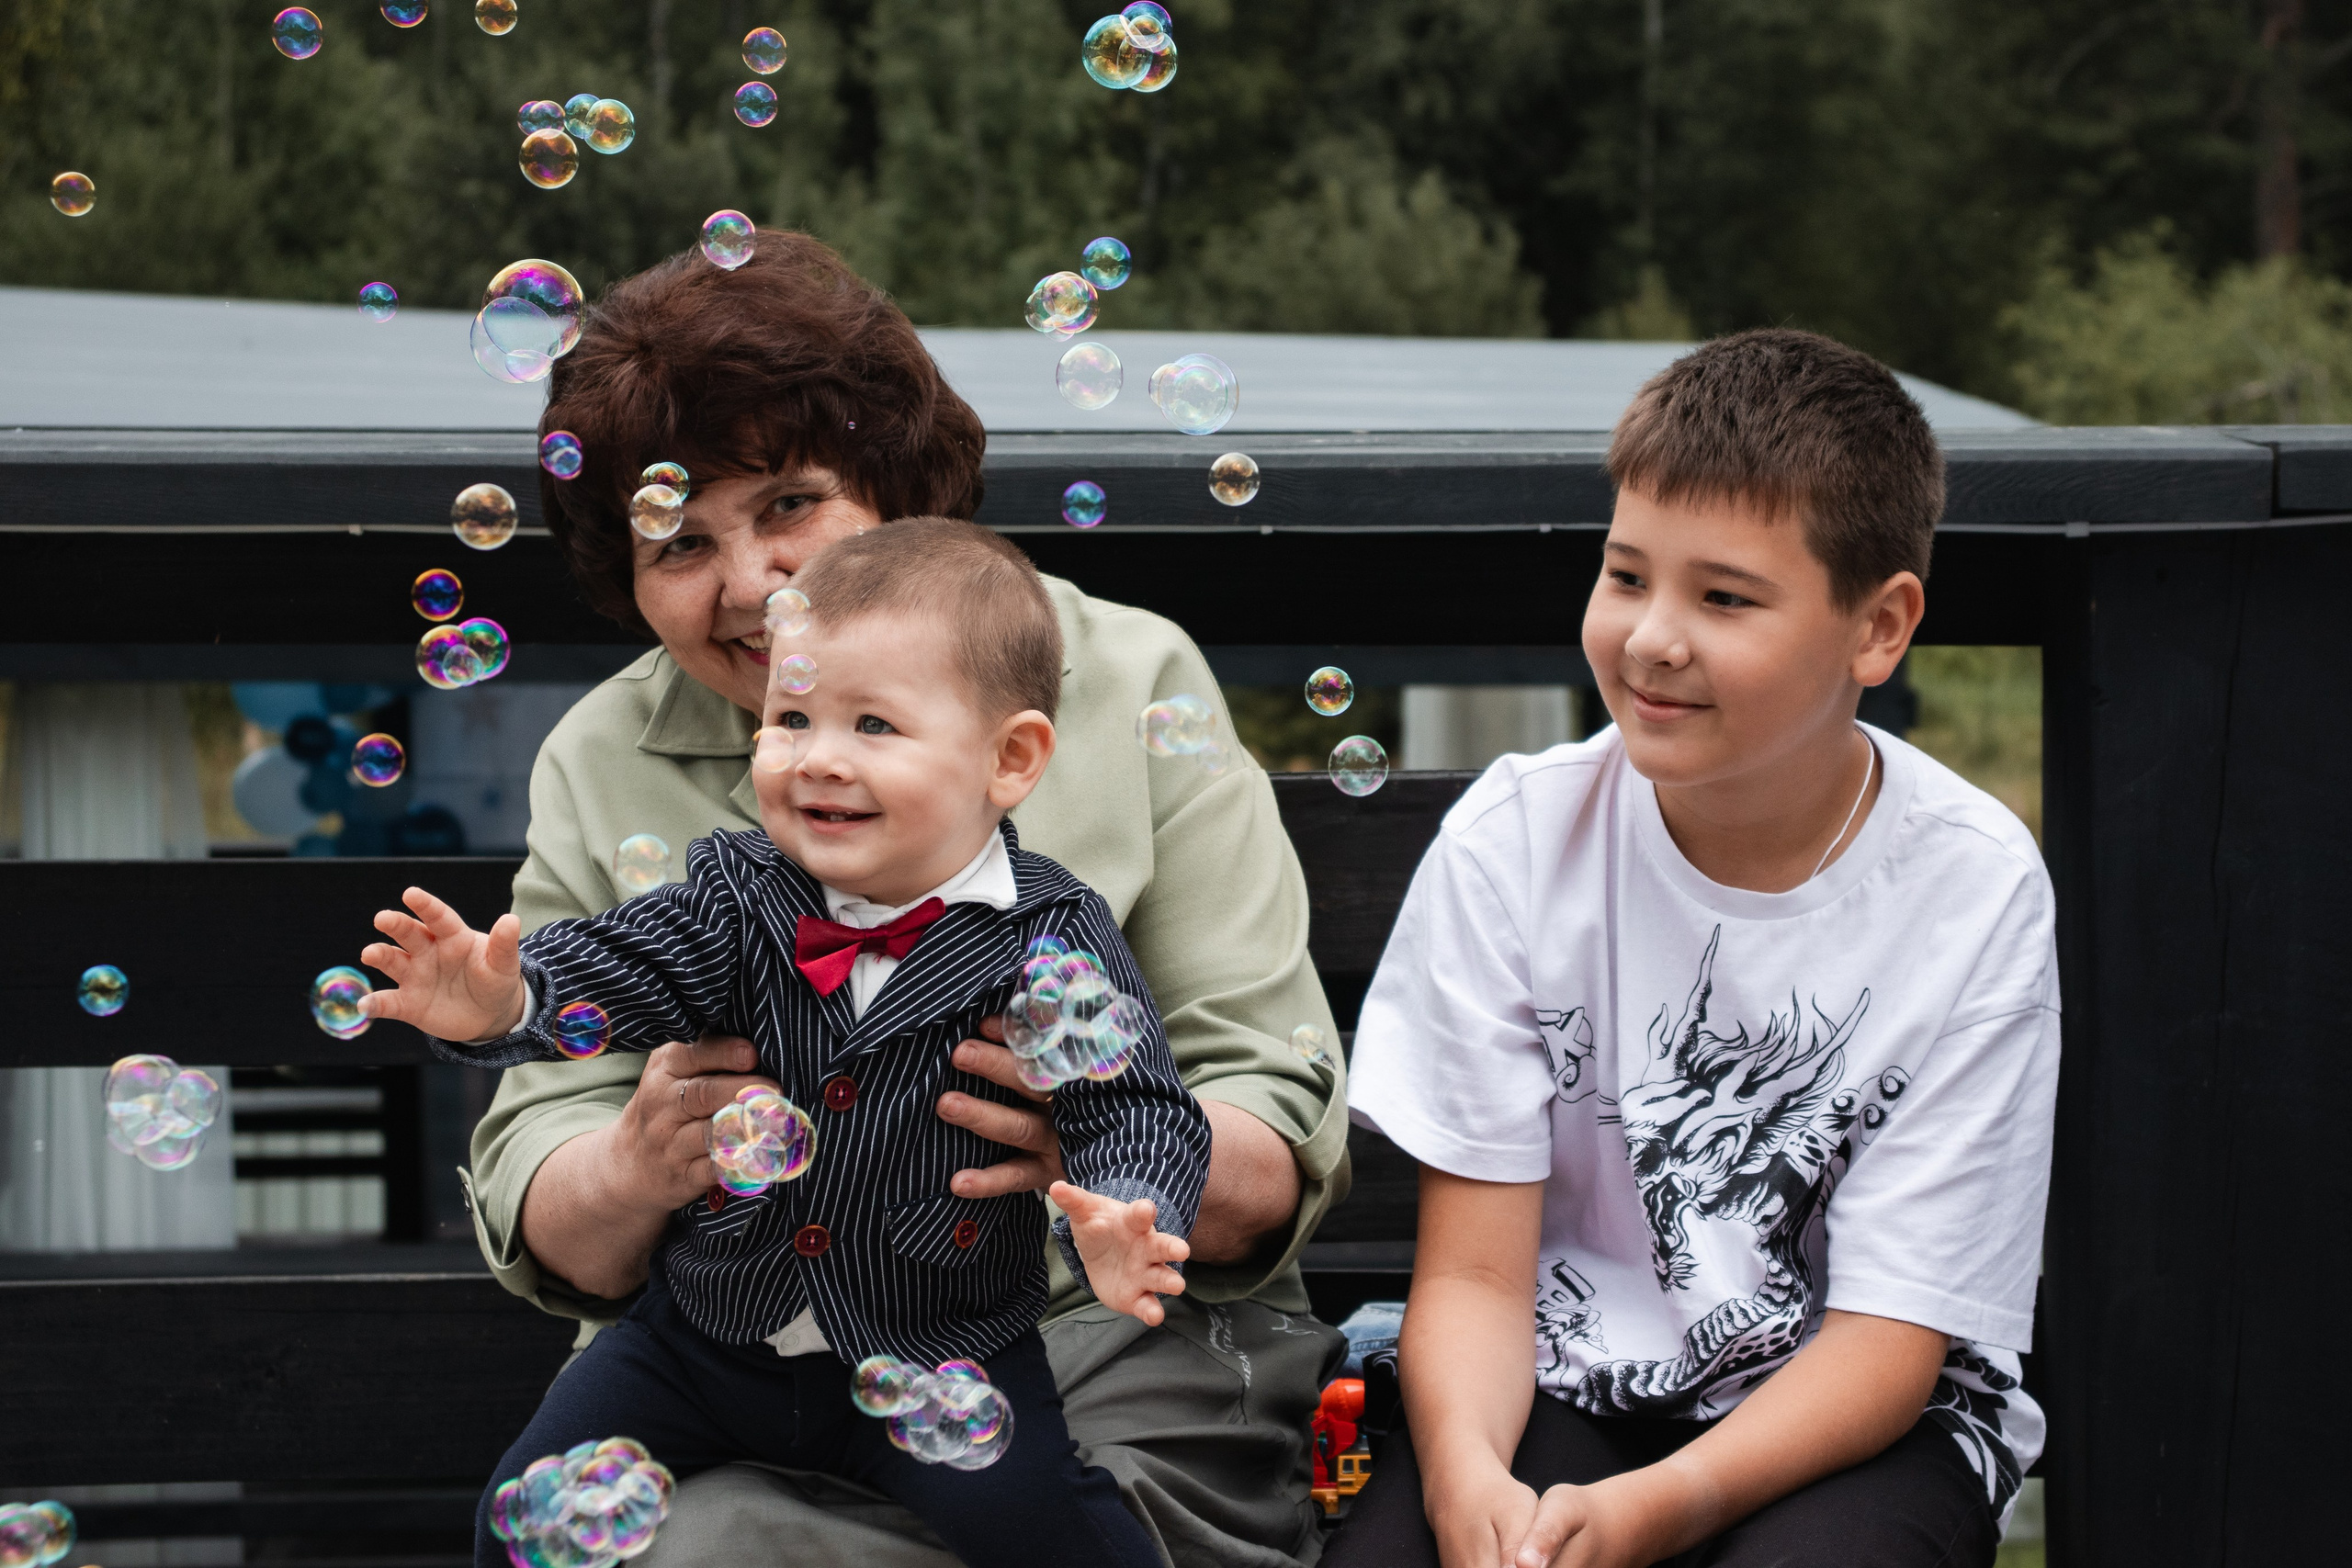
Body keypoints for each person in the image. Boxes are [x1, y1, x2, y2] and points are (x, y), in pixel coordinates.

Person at [458, 230, 1351, 1567]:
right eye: (680, 539)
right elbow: (547, 1193)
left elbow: (1273, 1128)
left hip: (1105, 1338)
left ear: (897, 483)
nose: (751, 583)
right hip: (740, 1368)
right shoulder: (601, 753)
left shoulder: (1123, 674)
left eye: (788, 503)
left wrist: (1113, 1165)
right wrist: (633, 1163)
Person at [1333, 329, 2059, 1568]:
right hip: (1553, 1373)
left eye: (1724, 597)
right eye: (1626, 575)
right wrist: (1464, 1481)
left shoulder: (1968, 890)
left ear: (1877, 629)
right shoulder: (1516, 843)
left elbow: (1888, 1344)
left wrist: (1663, 1506)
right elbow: (1477, 1280)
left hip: (1861, 1417)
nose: (1653, 637)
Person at [369, 522, 1209, 1568]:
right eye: (792, 717)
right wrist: (508, 1001)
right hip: (701, 1340)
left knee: (1058, 1538)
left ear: (1009, 758)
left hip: (941, 1355)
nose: (818, 757)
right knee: (526, 1514)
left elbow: (1131, 1104)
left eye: (871, 724)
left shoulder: (1051, 935)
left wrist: (1133, 1208)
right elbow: (624, 966)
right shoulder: (738, 895)